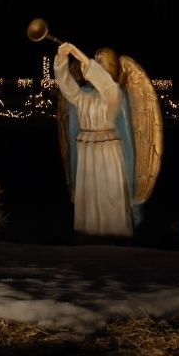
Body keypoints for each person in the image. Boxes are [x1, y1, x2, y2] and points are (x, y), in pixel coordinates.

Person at [54, 41, 137, 238]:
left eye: (100, 61)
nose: (94, 64)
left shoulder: (114, 93)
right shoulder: (83, 97)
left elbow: (104, 83)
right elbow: (67, 87)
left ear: (111, 68)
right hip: (86, 151)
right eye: (95, 60)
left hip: (107, 151)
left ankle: (116, 235)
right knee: (89, 196)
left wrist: (80, 55)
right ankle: (89, 235)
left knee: (110, 196)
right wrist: (62, 59)